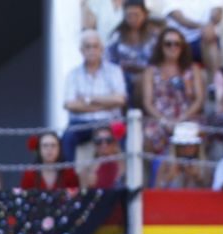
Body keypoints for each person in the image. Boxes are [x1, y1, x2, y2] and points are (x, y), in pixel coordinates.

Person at [64, 29, 129, 158]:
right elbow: (70, 105)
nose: (92, 50)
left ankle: (126, 171)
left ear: (101, 49)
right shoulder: (73, 74)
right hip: (81, 124)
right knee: (67, 138)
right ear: (81, 50)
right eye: (88, 47)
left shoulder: (114, 71)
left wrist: (88, 99)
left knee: (124, 136)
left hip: (110, 122)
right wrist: (106, 104)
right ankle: (68, 171)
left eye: (95, 46)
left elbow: (120, 100)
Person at [142, 24, 206, 154]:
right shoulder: (151, 71)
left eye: (177, 44)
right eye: (168, 44)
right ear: (161, 46)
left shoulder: (193, 69)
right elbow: (147, 102)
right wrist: (164, 121)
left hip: (187, 115)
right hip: (160, 117)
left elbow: (199, 100)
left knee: (195, 132)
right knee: (149, 134)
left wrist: (182, 118)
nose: (173, 47)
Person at [108, 0, 160, 101]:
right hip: (123, 76)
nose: (132, 19)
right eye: (129, 15)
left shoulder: (154, 35)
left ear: (145, 14)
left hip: (149, 75)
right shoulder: (117, 35)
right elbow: (110, 60)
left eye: (136, 15)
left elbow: (160, 60)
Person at [164, 0, 223, 75]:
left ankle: (217, 79)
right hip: (181, 40)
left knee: (209, 38)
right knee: (171, 42)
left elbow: (217, 11)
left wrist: (210, 25)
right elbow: (180, 18)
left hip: (204, 37)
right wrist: (203, 27)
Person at [83, 123, 130, 187]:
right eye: (99, 141)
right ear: (95, 144)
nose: (104, 144)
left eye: (108, 140)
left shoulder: (123, 163)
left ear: (114, 142)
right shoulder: (88, 168)